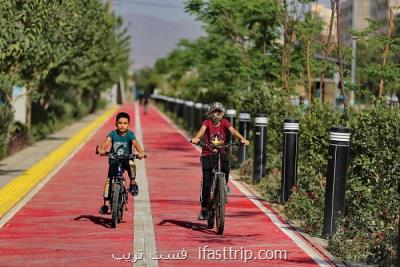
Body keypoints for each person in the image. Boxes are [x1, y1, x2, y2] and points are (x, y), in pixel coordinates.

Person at [191, 102, 250, 220]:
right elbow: (202, 132)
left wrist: (242, 139)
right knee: (207, 182)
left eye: (219, 112)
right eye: (214, 112)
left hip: (221, 152)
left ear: (222, 113)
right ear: (210, 113)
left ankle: (223, 186)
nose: (216, 114)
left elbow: (233, 132)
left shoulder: (225, 122)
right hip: (207, 154)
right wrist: (197, 138)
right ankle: (204, 209)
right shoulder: (207, 122)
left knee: (226, 167)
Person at [98, 112, 145, 214]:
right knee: (109, 181)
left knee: (132, 164)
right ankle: (105, 204)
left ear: (128, 124)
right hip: (114, 159)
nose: (122, 125)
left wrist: (140, 152)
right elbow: (106, 142)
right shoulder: (113, 134)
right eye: (120, 123)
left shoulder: (130, 135)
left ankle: (133, 183)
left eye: (125, 123)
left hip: (126, 159)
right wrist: (101, 149)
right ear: (116, 124)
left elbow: (135, 144)